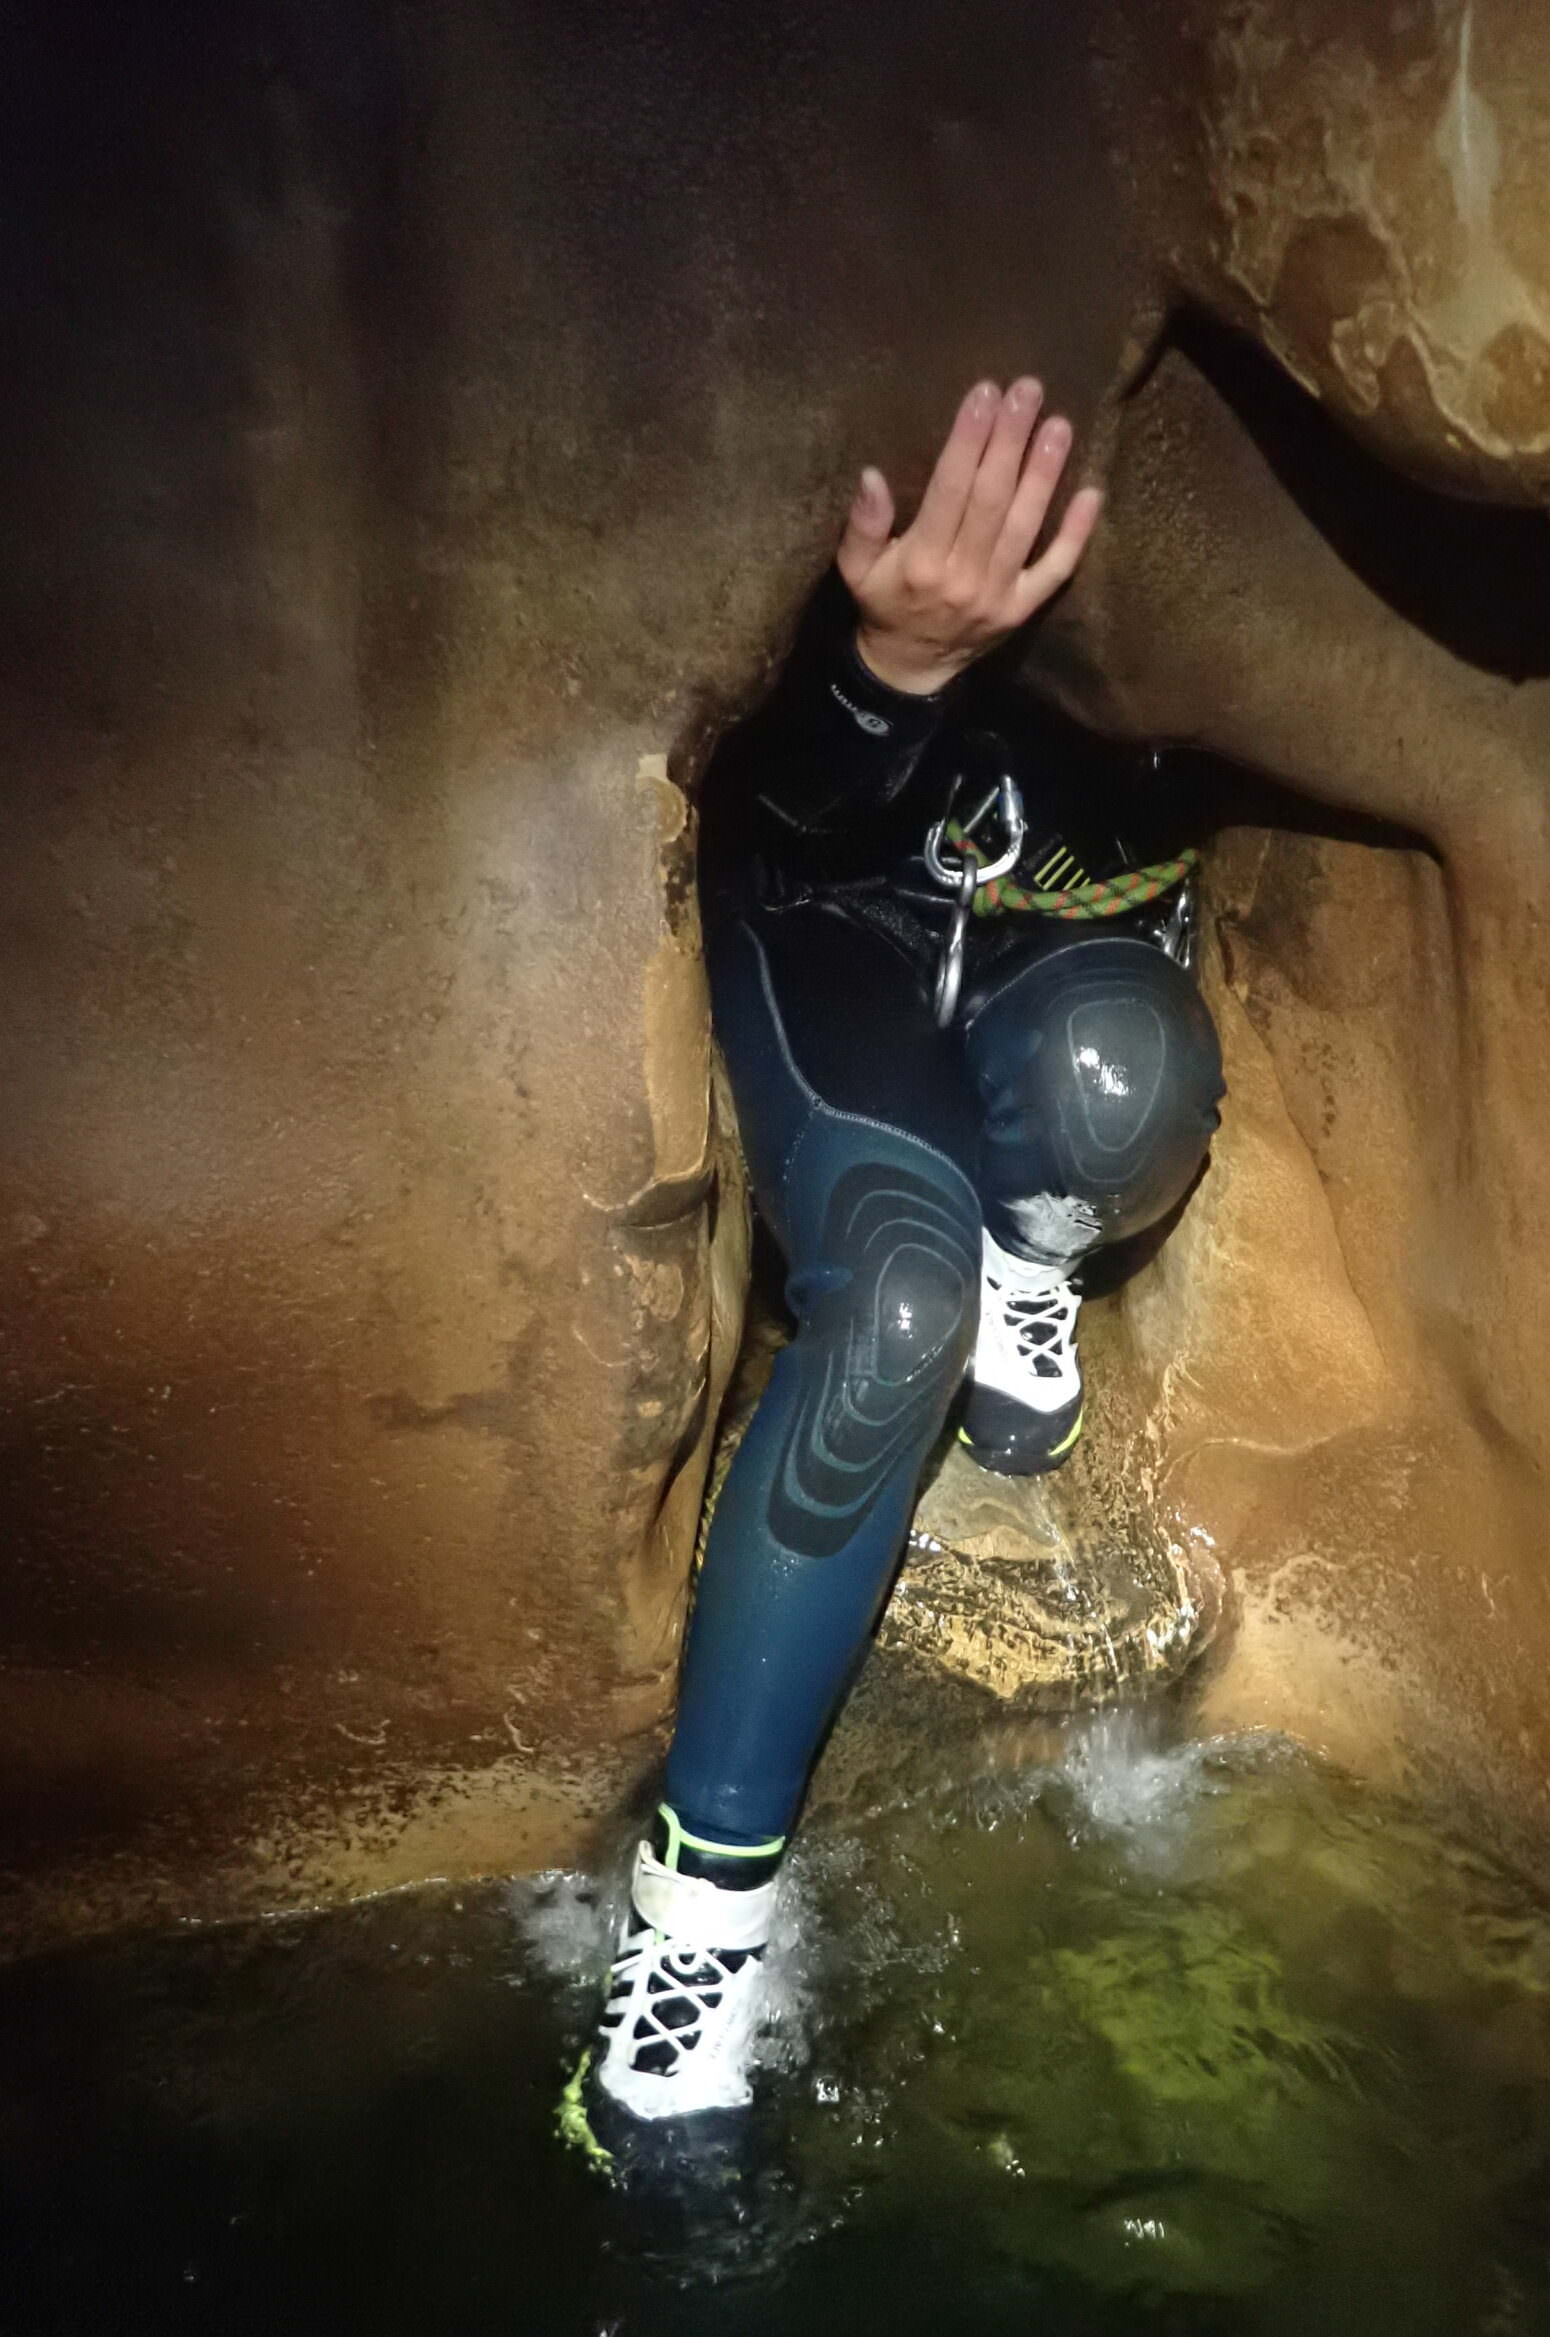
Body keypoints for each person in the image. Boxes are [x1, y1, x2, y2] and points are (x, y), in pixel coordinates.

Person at [579, 379, 1224, 2145]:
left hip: (1051, 968)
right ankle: (695, 1923)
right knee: (900, 1318)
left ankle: (1043, 1251)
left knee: (1126, 1075)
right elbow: (784, 804)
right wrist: (892, 671)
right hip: (837, 931)